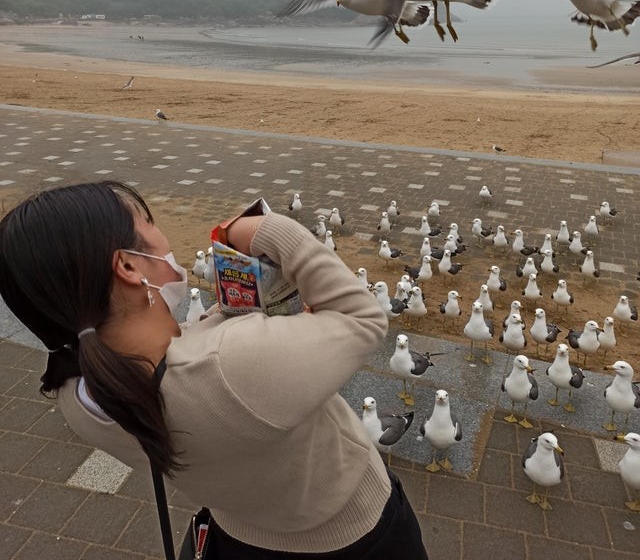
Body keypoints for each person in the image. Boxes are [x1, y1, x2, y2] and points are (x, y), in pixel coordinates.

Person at [0, 181, 427, 559]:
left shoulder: (76, 391)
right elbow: (364, 320)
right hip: (352, 534)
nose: (158, 231)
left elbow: (195, 359)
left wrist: (236, 307)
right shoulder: (231, 366)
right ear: (128, 267)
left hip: (239, 533)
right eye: (147, 222)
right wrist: (271, 230)